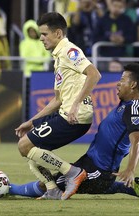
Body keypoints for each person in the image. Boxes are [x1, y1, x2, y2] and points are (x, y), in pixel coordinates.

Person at [13, 41, 139, 200]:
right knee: (51, 181)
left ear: (133, 85)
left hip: (100, 170)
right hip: (89, 161)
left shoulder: (132, 109)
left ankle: (9, 189)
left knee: (50, 185)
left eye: (122, 80)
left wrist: (130, 169)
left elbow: (137, 140)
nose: (117, 84)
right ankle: (128, 187)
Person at [15, 12, 101, 200]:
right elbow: (57, 100)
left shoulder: (70, 51)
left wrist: (76, 104)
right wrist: (31, 122)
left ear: (58, 34)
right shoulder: (59, 57)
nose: (41, 38)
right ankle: (52, 189)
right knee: (33, 153)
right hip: (65, 114)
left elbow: (94, 74)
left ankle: (73, 173)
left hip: (75, 117)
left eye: (44, 34)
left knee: (24, 145)